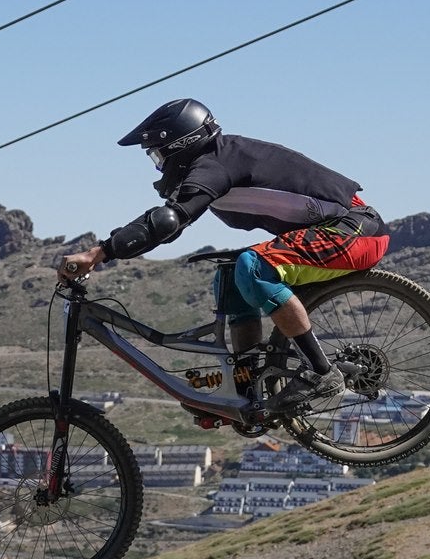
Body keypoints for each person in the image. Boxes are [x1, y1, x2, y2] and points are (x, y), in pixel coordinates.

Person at [57, 98, 389, 414]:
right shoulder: (218, 162)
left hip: (357, 230)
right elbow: (169, 222)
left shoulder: (215, 164)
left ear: (180, 146)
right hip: (340, 231)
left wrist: (98, 253)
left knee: (254, 267)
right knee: (231, 273)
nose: (159, 166)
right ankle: (246, 384)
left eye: (158, 156)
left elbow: (167, 221)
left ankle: (321, 373)